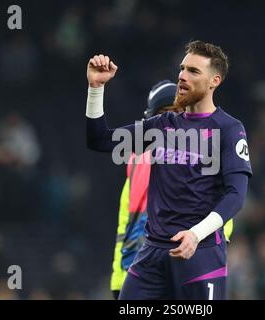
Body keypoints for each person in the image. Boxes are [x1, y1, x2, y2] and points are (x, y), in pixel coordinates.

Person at [86, 40, 251, 300]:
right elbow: (100, 140)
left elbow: (236, 195)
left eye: (194, 71)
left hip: (200, 254)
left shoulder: (229, 129)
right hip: (151, 255)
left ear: (214, 81)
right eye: (182, 69)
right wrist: (96, 89)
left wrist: (196, 235)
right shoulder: (162, 126)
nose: (183, 76)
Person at [110, 80, 234, 299]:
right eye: (164, 112)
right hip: (145, 272)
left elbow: (224, 217)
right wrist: (120, 280)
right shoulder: (137, 162)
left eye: (178, 111)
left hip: (188, 265)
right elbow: (125, 226)